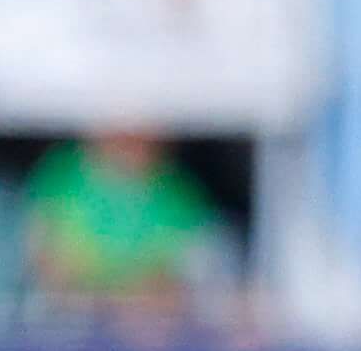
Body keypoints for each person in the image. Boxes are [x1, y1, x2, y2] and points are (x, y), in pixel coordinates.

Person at [19, 130, 230, 328]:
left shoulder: (183, 199)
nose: (128, 135)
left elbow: (178, 293)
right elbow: (48, 273)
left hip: (149, 340)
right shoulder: (58, 178)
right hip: (67, 331)